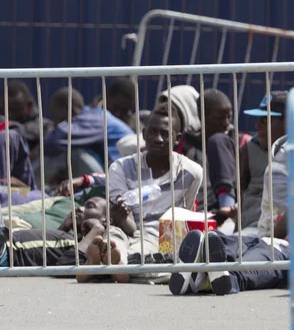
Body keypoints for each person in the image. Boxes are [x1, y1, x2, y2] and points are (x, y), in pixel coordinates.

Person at [170, 113, 294, 295]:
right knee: (231, 244)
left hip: (290, 249)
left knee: (257, 261)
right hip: (272, 238)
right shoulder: (280, 169)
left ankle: (220, 277)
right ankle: (201, 256)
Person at [77, 102, 204, 283]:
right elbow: (125, 225)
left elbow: (184, 213)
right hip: (124, 228)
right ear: (143, 135)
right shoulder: (121, 168)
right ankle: (110, 259)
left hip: (159, 236)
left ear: (178, 138)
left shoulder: (192, 172)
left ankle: (109, 264)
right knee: (112, 238)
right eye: (152, 132)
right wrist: (121, 217)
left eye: (165, 133)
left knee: (146, 251)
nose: (158, 139)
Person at [41, 87, 134, 184]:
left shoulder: (95, 118)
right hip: (121, 174)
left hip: (125, 177)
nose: (56, 123)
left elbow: (55, 141)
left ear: (69, 109)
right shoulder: (95, 116)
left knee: (70, 152)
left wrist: (38, 150)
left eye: (56, 118)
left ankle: (30, 188)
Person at [236, 91, 288, 234]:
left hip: (290, 232)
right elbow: (241, 196)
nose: (257, 126)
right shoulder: (248, 149)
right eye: (259, 120)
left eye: (266, 120)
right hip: (251, 230)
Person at [0, 80, 52, 158]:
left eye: (16, 109)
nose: (10, 114)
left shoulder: (45, 126)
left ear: (28, 105)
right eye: (7, 109)